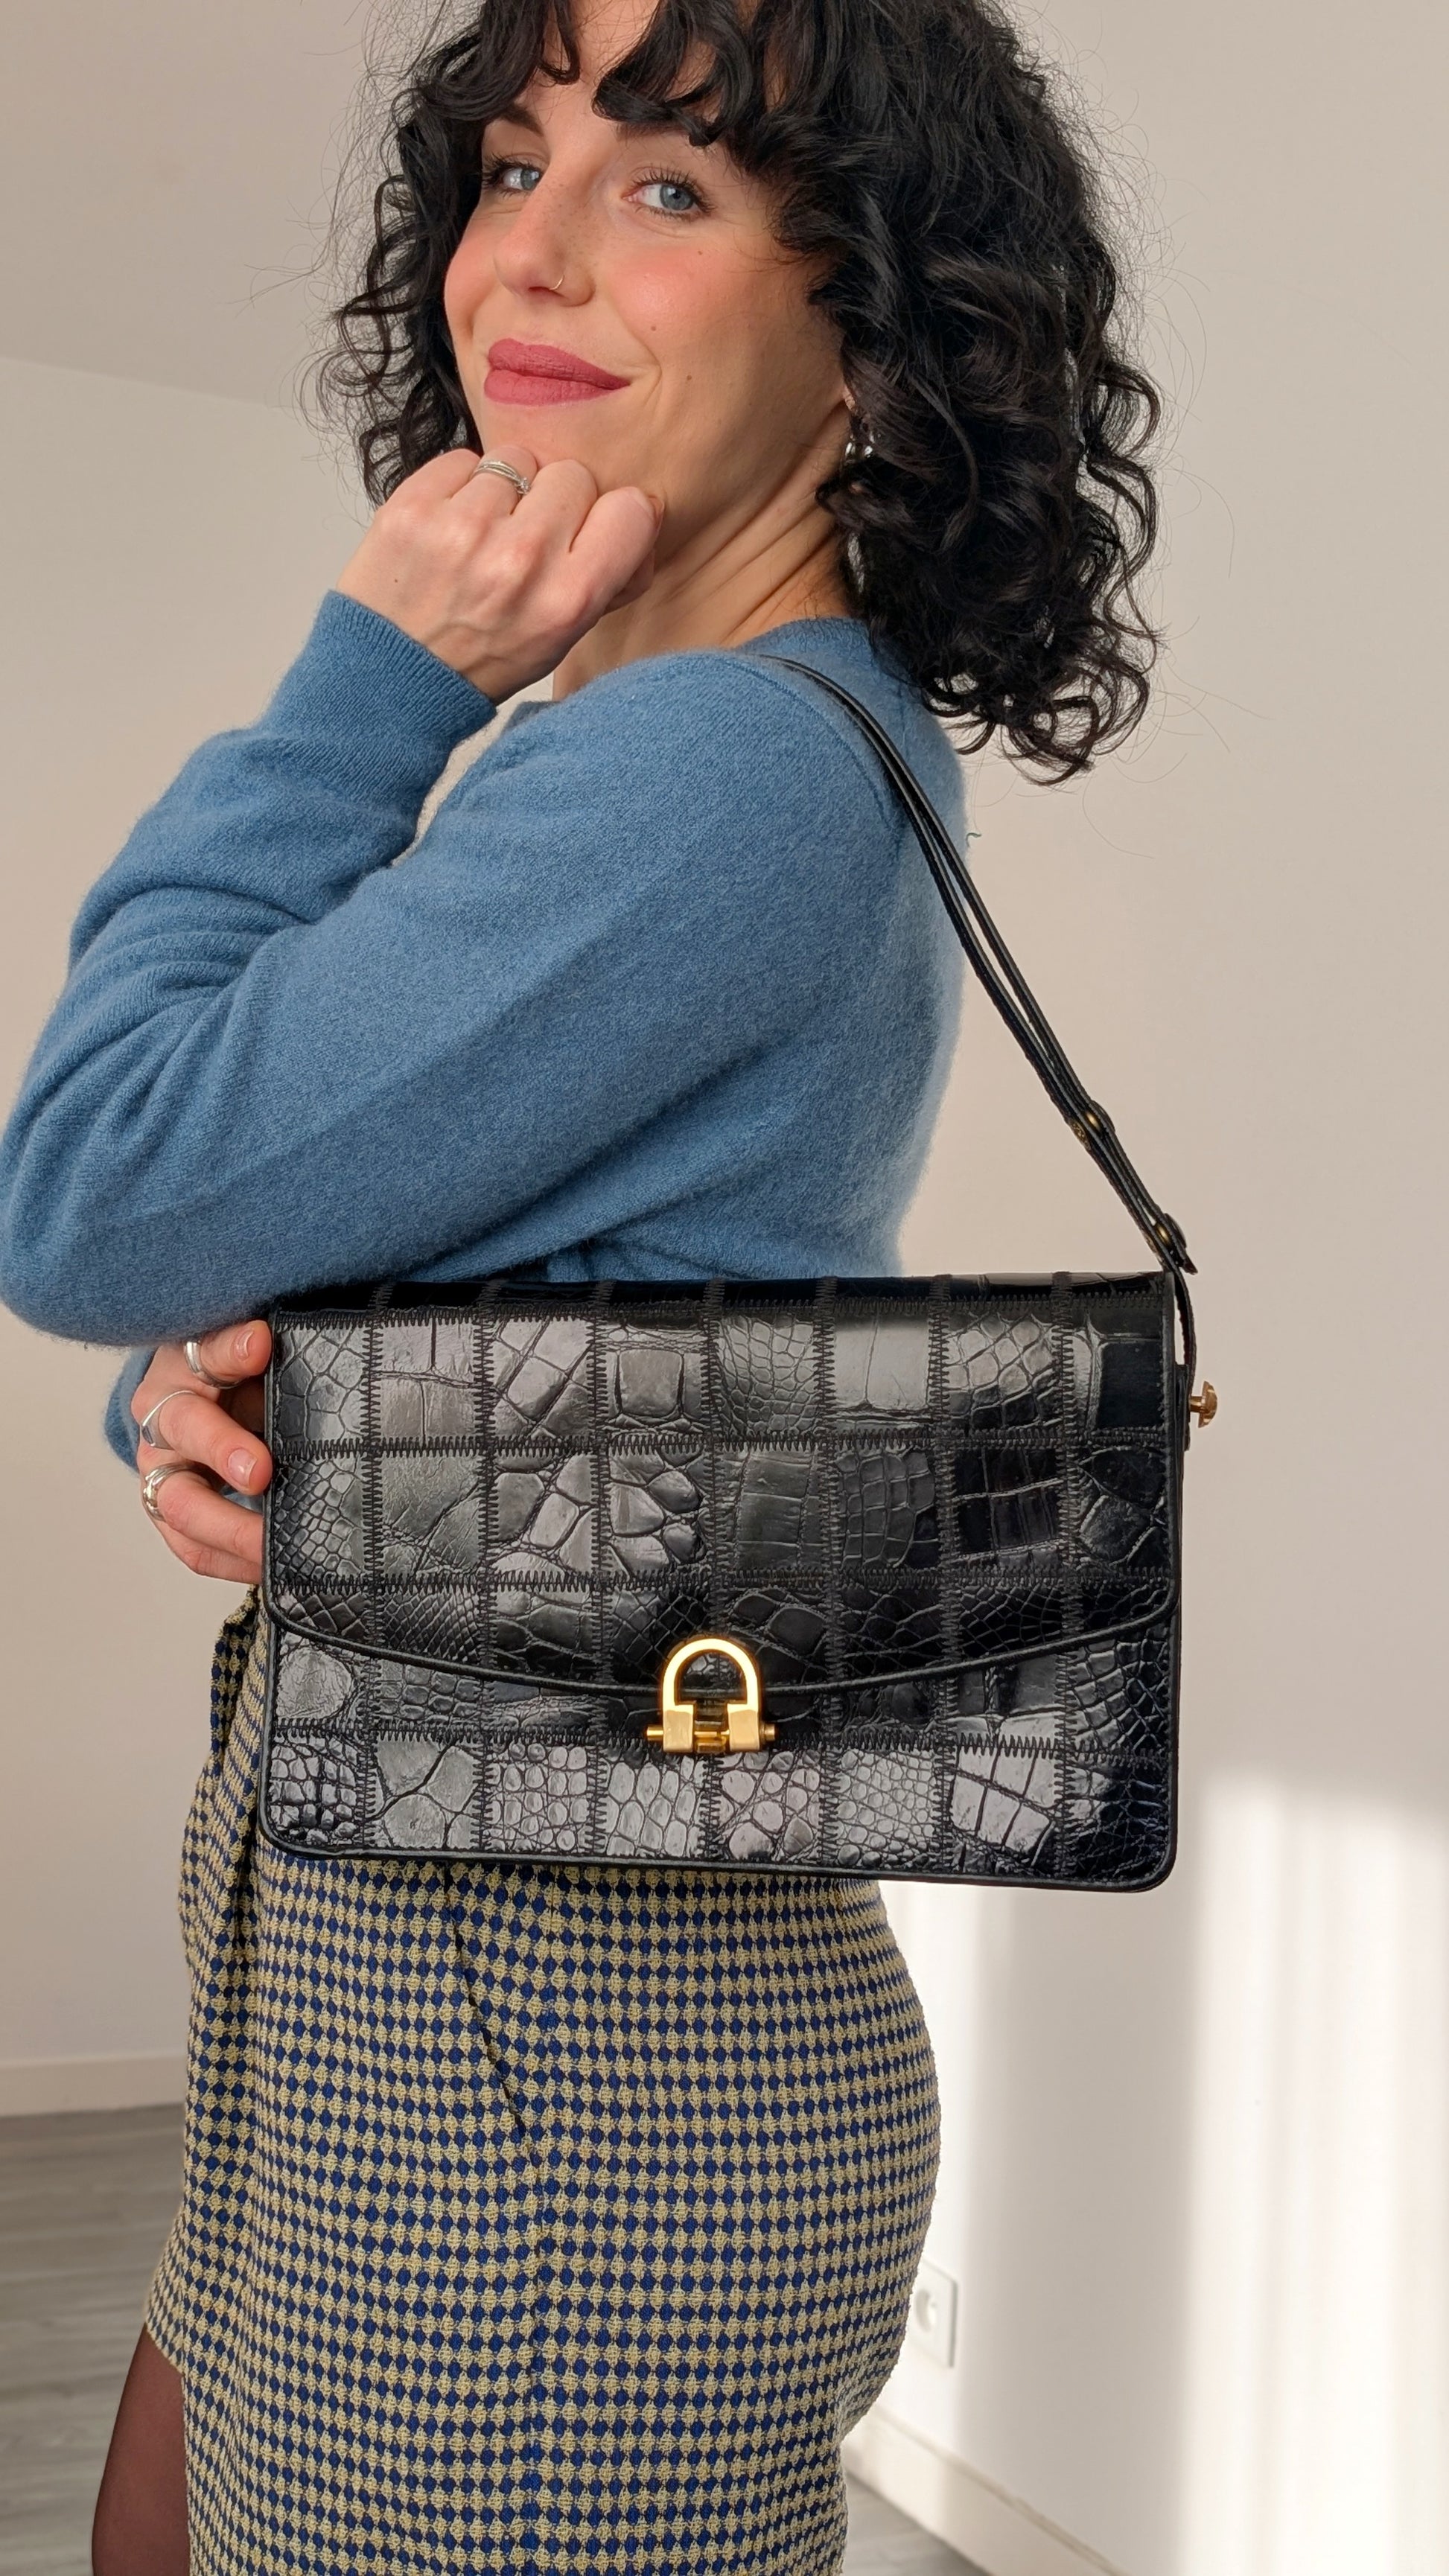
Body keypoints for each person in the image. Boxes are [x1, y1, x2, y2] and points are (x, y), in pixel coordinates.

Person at [0, 0, 1162, 2565]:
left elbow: (83, 1190)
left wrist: (363, 688)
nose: (523, 249)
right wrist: (198, 1401)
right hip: (443, 1992)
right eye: (513, 161)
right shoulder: (744, 737)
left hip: (535, 2076)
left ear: (867, 328)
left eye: (664, 184)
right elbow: (314, 1272)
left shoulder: (707, 759)